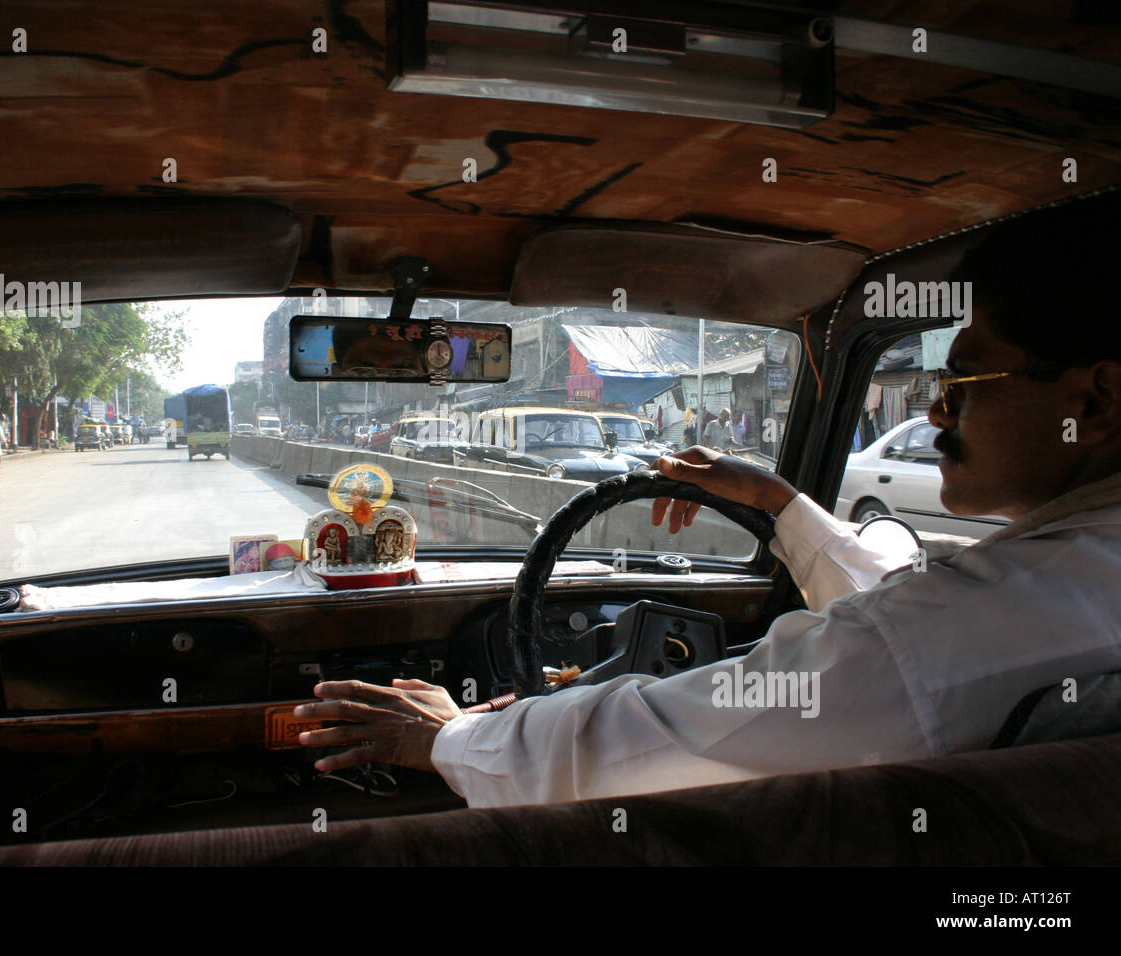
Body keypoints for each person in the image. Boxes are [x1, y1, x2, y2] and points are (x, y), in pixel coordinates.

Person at [290, 196, 1121, 808]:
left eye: (964, 381)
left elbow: (672, 741)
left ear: (1093, 401)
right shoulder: (1059, 591)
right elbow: (916, 652)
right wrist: (778, 501)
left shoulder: (967, 628)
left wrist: (452, 737)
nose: (936, 410)